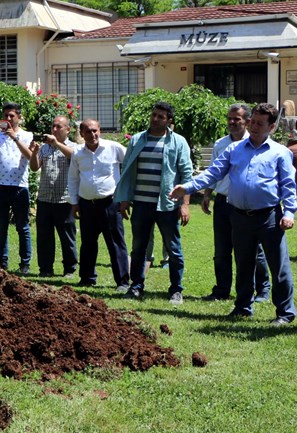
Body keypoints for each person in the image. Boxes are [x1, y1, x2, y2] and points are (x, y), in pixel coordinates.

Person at [170, 103, 296, 325]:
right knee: (244, 264)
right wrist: (187, 187)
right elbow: (213, 173)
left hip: (269, 218)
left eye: (259, 123)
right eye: (252, 121)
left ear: (272, 126)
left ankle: (285, 313)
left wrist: (290, 213)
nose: (253, 126)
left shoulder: (280, 153)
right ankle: (243, 307)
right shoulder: (233, 149)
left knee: (279, 267)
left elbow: (288, 185)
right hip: (239, 217)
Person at [115, 102, 192, 305]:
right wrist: (124, 198)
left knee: (173, 248)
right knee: (139, 247)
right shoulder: (138, 139)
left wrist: (184, 204)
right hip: (141, 203)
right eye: (154, 115)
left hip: (167, 205)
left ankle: (176, 290)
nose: (155, 119)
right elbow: (127, 171)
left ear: (169, 121)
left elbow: (186, 175)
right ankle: (136, 286)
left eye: (161, 116)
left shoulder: (178, 142)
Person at [200, 104, 271, 302]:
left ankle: (263, 289)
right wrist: (207, 194)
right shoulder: (220, 144)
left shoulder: (257, 142)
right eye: (230, 118)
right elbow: (213, 171)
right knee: (222, 249)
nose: (232, 122)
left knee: (253, 251)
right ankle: (222, 290)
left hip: (245, 205)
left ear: (247, 121)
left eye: (237, 119)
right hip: (223, 202)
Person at [66, 119, 130, 291]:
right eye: (88, 131)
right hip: (87, 204)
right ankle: (87, 278)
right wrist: (74, 203)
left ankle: (123, 282)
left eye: (95, 131)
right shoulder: (78, 153)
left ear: (100, 130)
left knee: (115, 243)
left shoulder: (113, 148)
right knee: (87, 243)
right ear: (81, 133)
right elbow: (72, 178)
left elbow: (130, 165)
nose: (92, 134)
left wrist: (126, 195)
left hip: (110, 204)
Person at [0, 102, 34, 274]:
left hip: (19, 186)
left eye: (12, 116)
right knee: (1, 227)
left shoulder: (27, 135)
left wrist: (14, 137)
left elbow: (30, 156)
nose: (8, 119)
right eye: (6, 116)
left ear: (19, 116)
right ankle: (2, 263)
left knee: (22, 227)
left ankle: (25, 264)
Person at [29, 115, 78, 278]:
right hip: (45, 199)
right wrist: (34, 153)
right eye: (53, 127)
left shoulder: (73, 147)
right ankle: (45, 268)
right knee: (44, 237)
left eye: (59, 127)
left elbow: (73, 157)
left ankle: (69, 269)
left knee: (67, 237)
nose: (55, 130)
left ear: (68, 130)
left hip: (65, 200)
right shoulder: (45, 148)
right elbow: (35, 167)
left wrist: (56, 144)